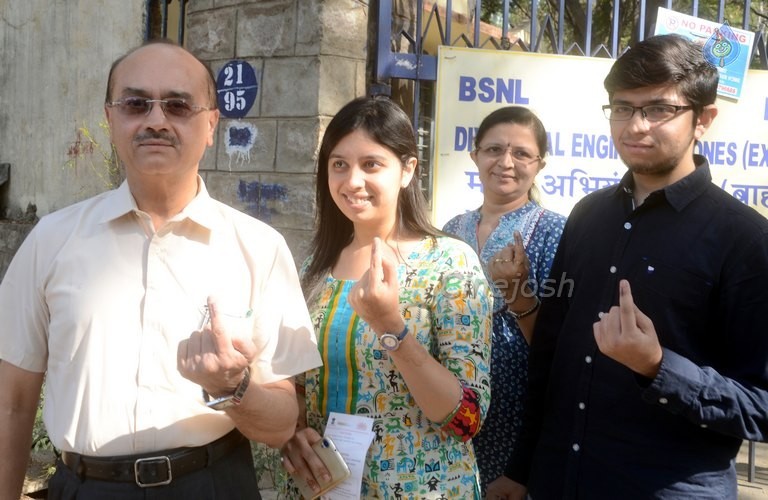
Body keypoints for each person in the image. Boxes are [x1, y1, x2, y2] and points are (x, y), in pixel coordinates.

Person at [0, 39, 322, 499]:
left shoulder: (259, 248)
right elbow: (11, 403)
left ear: (211, 124)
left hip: (213, 485)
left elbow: (281, 424)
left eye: (178, 105)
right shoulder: (51, 241)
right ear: (110, 119)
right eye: (136, 104)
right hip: (86, 489)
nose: (156, 120)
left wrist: (233, 386)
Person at [487, 34, 768, 499]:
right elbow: (550, 356)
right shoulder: (588, 215)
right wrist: (521, 468)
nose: (636, 126)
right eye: (622, 107)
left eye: (658, 109)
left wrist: (658, 366)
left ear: (703, 119)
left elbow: (761, 405)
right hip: (560, 480)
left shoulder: (745, 239)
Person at [278, 96, 494, 498]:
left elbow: (466, 419)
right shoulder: (316, 267)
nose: (352, 181)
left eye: (371, 164)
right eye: (339, 164)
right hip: (328, 487)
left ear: (407, 169)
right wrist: (294, 432)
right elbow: (301, 385)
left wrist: (389, 326)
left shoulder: (449, 263)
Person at [442, 106, 566, 494]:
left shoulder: (556, 233)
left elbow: (559, 346)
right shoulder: (451, 230)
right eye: (494, 149)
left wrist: (517, 293)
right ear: (475, 155)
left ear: (540, 164)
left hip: (520, 413)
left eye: (522, 153)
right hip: (451, 405)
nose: (506, 162)